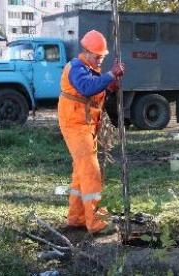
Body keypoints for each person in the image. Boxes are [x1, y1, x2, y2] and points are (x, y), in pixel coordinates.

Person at [58, 30, 124, 234]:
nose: (100, 61)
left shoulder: (90, 68)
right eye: (98, 57)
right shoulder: (76, 67)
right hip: (75, 126)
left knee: (81, 173)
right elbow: (86, 88)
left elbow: (95, 93)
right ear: (86, 52)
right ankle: (97, 223)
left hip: (85, 126)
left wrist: (110, 85)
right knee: (91, 172)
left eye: (102, 57)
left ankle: (77, 218)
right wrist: (111, 74)